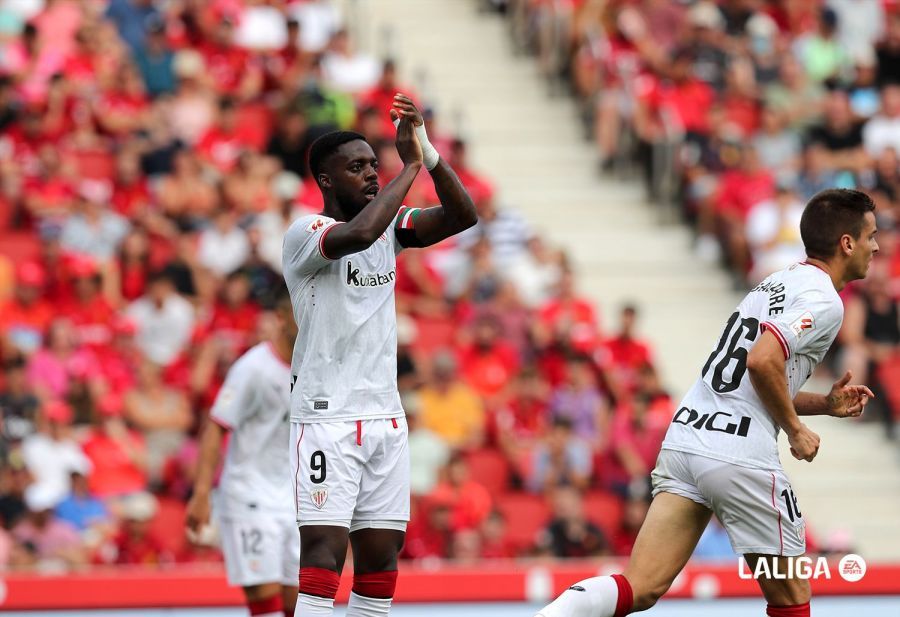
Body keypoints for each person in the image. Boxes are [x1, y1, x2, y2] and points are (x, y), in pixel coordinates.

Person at [536, 188, 878, 617]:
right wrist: (794, 428)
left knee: (639, 586)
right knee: (792, 598)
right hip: (739, 454)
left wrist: (823, 406)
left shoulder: (776, 281)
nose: (877, 245)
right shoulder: (825, 300)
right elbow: (760, 361)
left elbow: (755, 376)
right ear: (847, 243)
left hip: (687, 441)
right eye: (871, 236)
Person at [281, 93, 476, 616]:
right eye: (356, 167)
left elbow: (463, 216)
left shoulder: (393, 225)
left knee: (381, 560)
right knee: (324, 553)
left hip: (385, 415)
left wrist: (430, 156)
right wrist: (408, 164)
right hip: (327, 417)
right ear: (326, 179)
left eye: (374, 164)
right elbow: (362, 231)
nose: (370, 174)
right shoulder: (308, 233)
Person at [186, 291, 299, 617]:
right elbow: (216, 426)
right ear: (280, 318)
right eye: (297, 312)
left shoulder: (312, 365)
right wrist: (203, 492)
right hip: (250, 497)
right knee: (265, 603)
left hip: (293, 499)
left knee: (299, 605)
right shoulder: (252, 369)